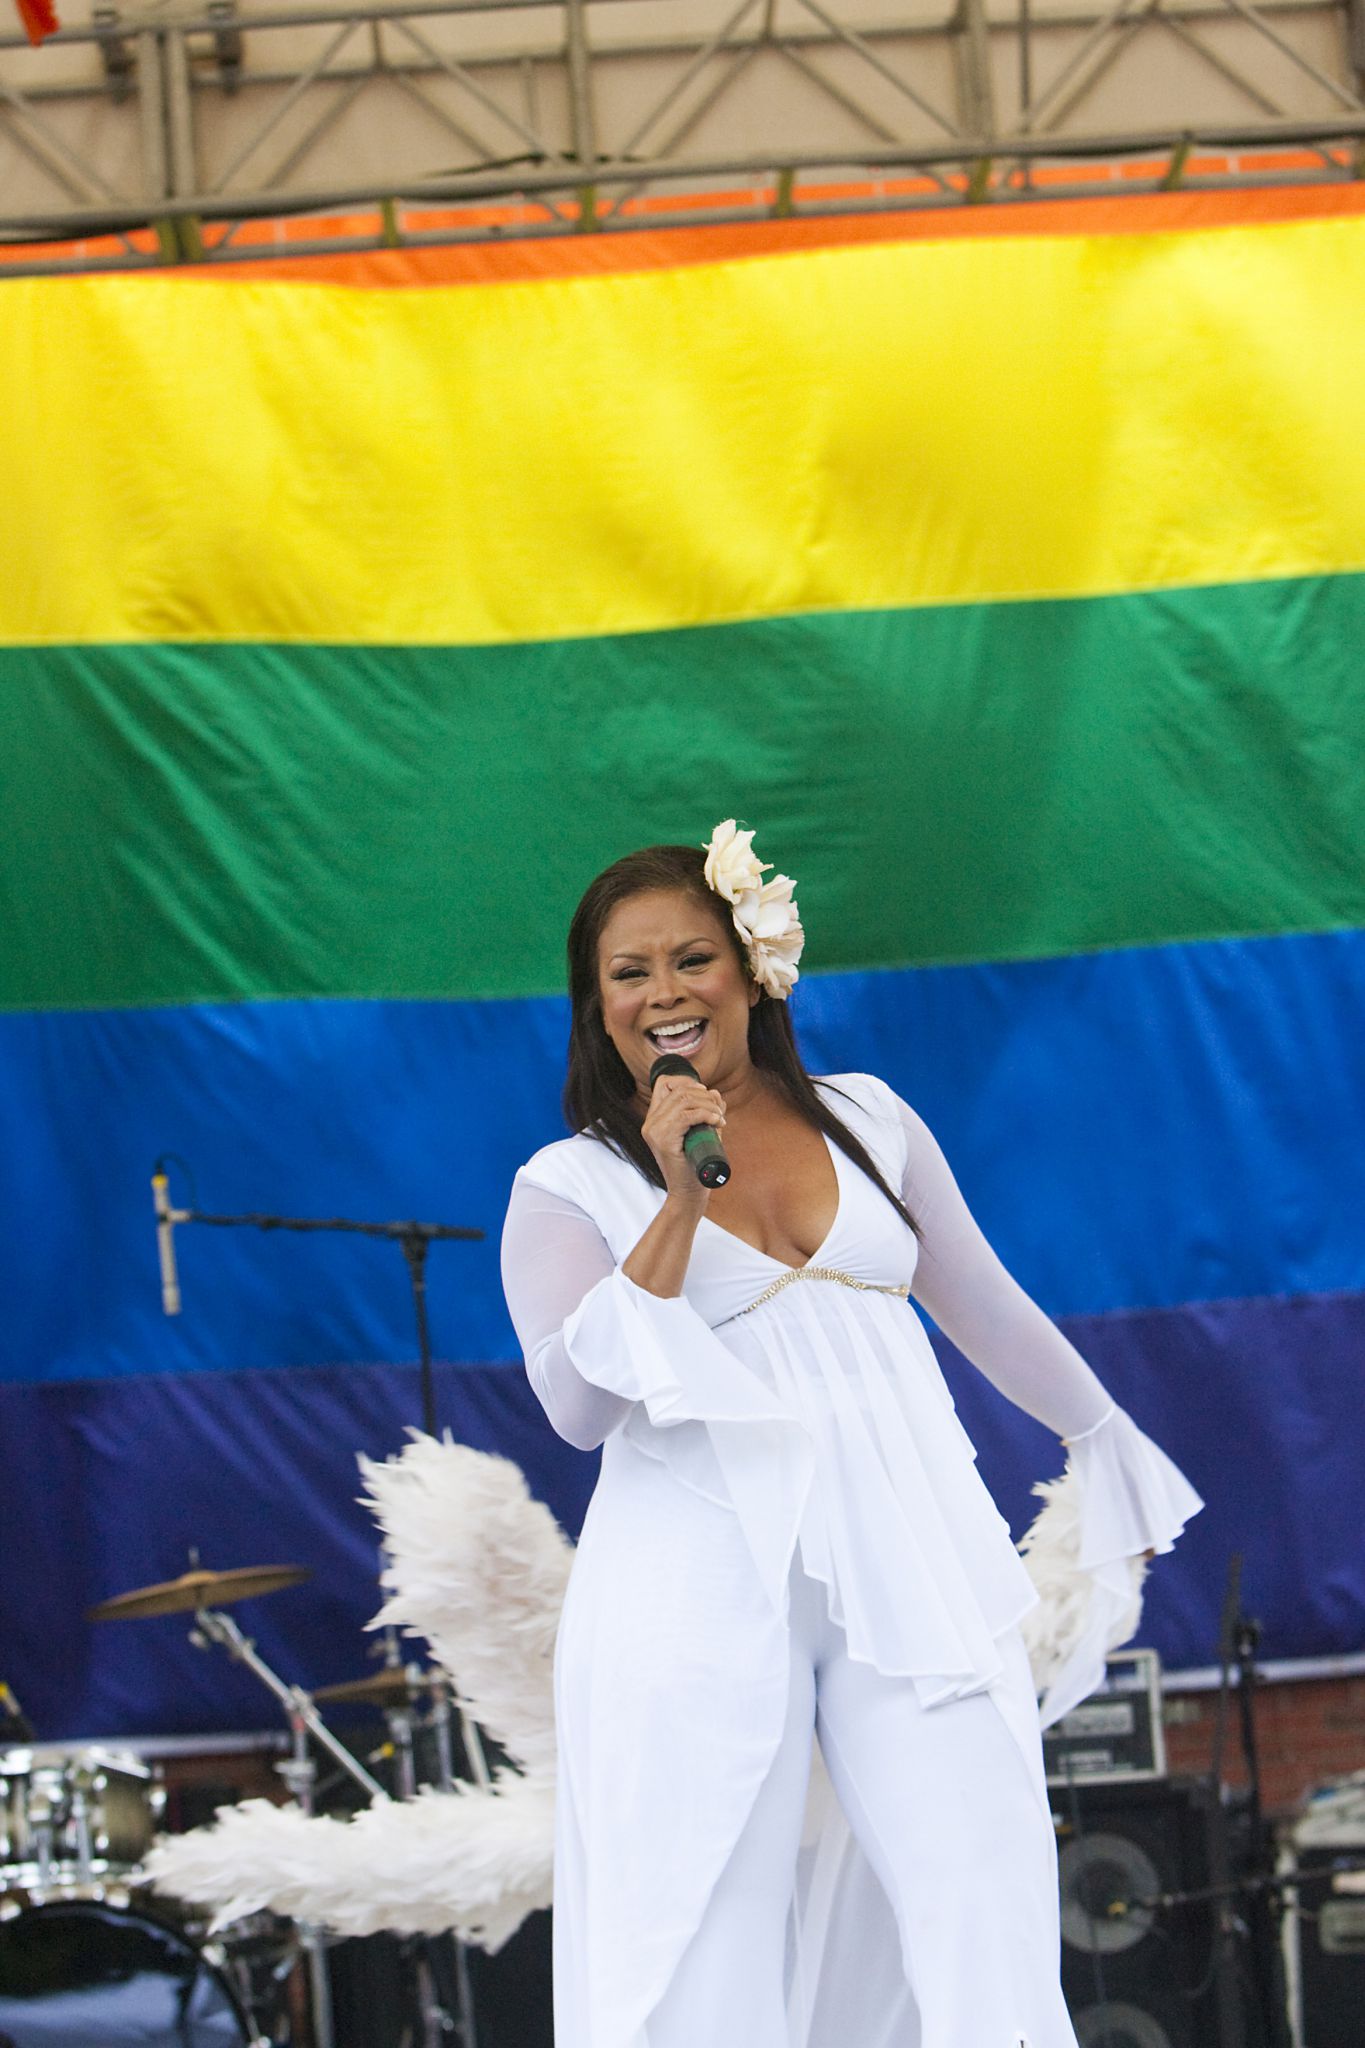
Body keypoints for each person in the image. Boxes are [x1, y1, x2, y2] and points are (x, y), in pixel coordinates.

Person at [500, 824, 1202, 2048]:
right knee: (704, 1940)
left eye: (691, 958)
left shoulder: (869, 1119)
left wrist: (1107, 1442)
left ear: (752, 969)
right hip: (699, 1582)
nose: (663, 992)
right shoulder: (568, 1184)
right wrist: (678, 1196)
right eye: (628, 971)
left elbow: (983, 1301)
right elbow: (576, 1406)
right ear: (595, 1003)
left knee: (986, 1902)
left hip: (908, 1553)